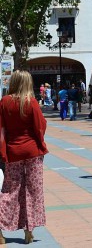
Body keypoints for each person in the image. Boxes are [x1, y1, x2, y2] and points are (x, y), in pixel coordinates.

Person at [0, 70, 48, 245]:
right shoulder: (31, 102)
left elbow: (1, 128)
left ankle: (0, 227)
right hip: (32, 152)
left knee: (10, 191)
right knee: (33, 191)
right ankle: (29, 230)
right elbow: (39, 127)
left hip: (13, 152)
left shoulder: (4, 102)